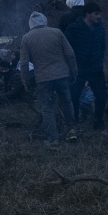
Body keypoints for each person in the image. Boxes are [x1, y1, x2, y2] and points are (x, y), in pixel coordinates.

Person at [19, 12, 79, 147]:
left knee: (47, 108)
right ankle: (72, 130)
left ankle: (54, 139)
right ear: (45, 21)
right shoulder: (57, 32)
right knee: (66, 102)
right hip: (62, 75)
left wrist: (25, 81)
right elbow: (70, 54)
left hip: (43, 79)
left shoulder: (26, 38)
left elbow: (24, 64)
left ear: (31, 24)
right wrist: (74, 72)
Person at [64, 1, 108, 130]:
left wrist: (101, 65)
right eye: (96, 14)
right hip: (79, 68)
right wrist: (71, 66)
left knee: (102, 95)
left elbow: (102, 48)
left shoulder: (100, 30)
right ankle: (74, 122)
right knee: (74, 96)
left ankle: (98, 121)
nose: (99, 17)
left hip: (96, 68)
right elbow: (67, 49)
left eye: (99, 14)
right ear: (87, 14)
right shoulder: (74, 29)